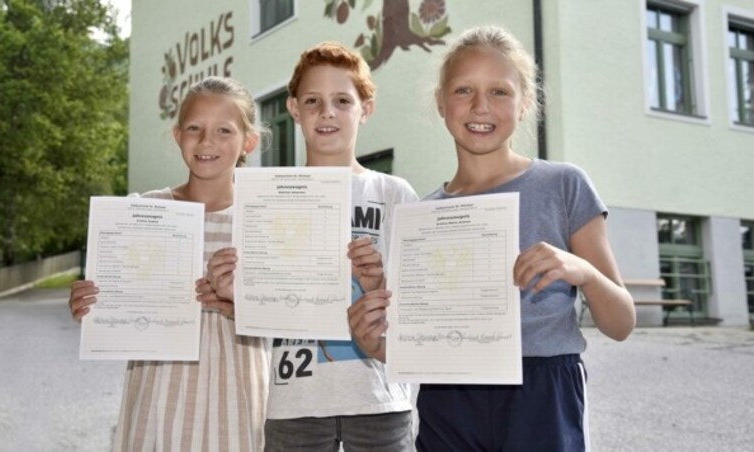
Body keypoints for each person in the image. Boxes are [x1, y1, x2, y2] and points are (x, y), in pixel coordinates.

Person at [347, 25, 636, 452]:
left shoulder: (564, 185)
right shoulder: (421, 216)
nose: (480, 105)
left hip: (543, 389)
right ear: (442, 104)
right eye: (464, 90)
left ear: (525, 105)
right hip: (449, 395)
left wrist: (585, 273)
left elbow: (621, 323)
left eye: (499, 92)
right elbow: (419, 345)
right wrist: (376, 344)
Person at [202, 42, 418, 451]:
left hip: (379, 401)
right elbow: (264, 303)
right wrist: (235, 292)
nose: (327, 112)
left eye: (342, 100)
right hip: (292, 403)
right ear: (294, 109)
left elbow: (420, 302)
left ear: (365, 109)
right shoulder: (268, 197)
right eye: (313, 101)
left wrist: (378, 283)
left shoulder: (393, 192)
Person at [68, 76, 271, 452]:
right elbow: (115, 297)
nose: (206, 141)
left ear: (249, 141)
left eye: (223, 130)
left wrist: (240, 304)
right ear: (178, 135)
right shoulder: (143, 211)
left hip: (237, 390)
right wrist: (94, 305)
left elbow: (289, 312)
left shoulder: (263, 216)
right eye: (194, 128)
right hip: (158, 392)